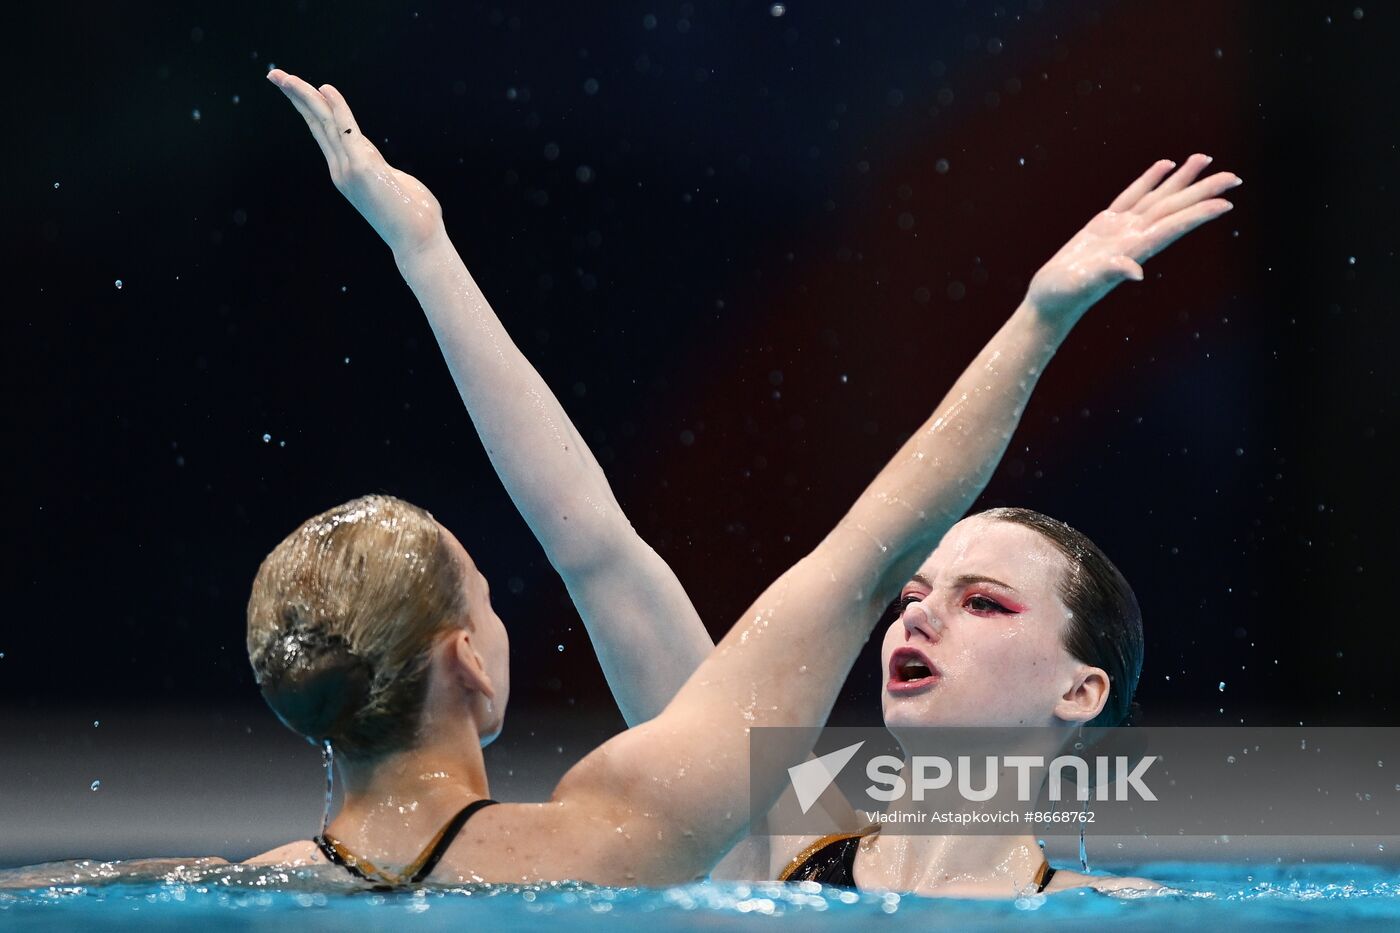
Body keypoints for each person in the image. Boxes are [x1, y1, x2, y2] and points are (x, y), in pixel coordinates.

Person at [252, 69, 1238, 893]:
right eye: (907, 593)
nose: (914, 619)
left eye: (982, 603)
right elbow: (593, 547)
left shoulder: (1128, 913)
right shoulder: (774, 828)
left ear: (1081, 688)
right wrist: (425, 252)